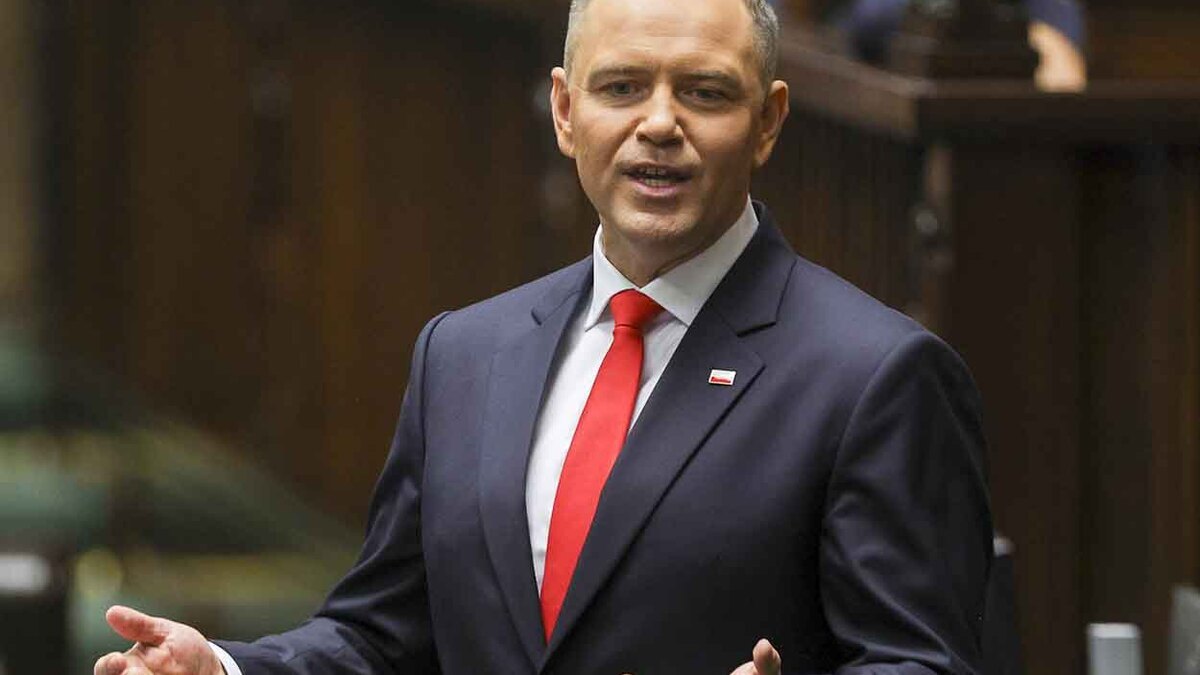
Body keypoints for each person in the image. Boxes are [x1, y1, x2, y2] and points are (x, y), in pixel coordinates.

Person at [94, 0, 992, 672]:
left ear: (768, 122)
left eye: (705, 92)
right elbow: (383, 634)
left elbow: (920, 661)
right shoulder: (462, 354)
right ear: (565, 111)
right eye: (622, 87)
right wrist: (228, 668)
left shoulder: (877, 376)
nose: (659, 124)